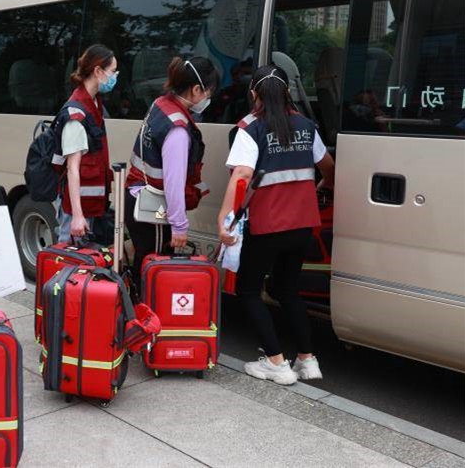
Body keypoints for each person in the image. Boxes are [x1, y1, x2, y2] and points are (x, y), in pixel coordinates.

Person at [218, 64, 335, 386]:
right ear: (288, 91)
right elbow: (328, 167)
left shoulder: (250, 128)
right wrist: (318, 187)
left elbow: (241, 176)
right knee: (287, 289)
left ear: (253, 92)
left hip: (267, 225)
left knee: (249, 290)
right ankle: (308, 361)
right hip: (302, 224)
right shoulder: (306, 125)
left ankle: (276, 363)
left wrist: (224, 219)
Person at [125, 57, 219, 287]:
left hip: (138, 197)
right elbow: (173, 183)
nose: (208, 98)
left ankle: (138, 314)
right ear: (196, 89)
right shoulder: (177, 129)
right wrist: (179, 225)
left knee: (143, 262)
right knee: (151, 268)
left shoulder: (160, 104)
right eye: (208, 92)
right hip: (153, 210)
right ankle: (143, 316)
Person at [51, 44, 116, 243]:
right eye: (113, 71)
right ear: (98, 71)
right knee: (67, 264)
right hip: (76, 209)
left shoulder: (94, 103)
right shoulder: (76, 113)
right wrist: (77, 217)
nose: (115, 77)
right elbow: (72, 168)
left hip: (92, 205)